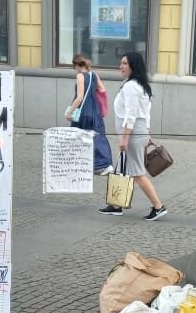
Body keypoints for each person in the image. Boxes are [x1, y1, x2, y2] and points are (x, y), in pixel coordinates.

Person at [99, 52, 168, 220]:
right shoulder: (138, 84)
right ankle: (116, 205)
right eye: (121, 63)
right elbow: (145, 113)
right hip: (139, 132)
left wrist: (124, 138)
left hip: (133, 134)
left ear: (133, 66)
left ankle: (158, 207)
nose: (120, 66)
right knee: (124, 169)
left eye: (125, 63)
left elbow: (131, 115)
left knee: (137, 173)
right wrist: (147, 132)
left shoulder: (131, 86)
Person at [65, 54, 113, 176]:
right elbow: (102, 90)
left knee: (77, 135)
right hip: (94, 110)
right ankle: (105, 164)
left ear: (77, 65)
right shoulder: (94, 75)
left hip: (83, 111)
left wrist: (70, 111)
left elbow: (79, 97)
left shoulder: (80, 76)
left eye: (74, 66)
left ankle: (77, 163)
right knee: (98, 136)